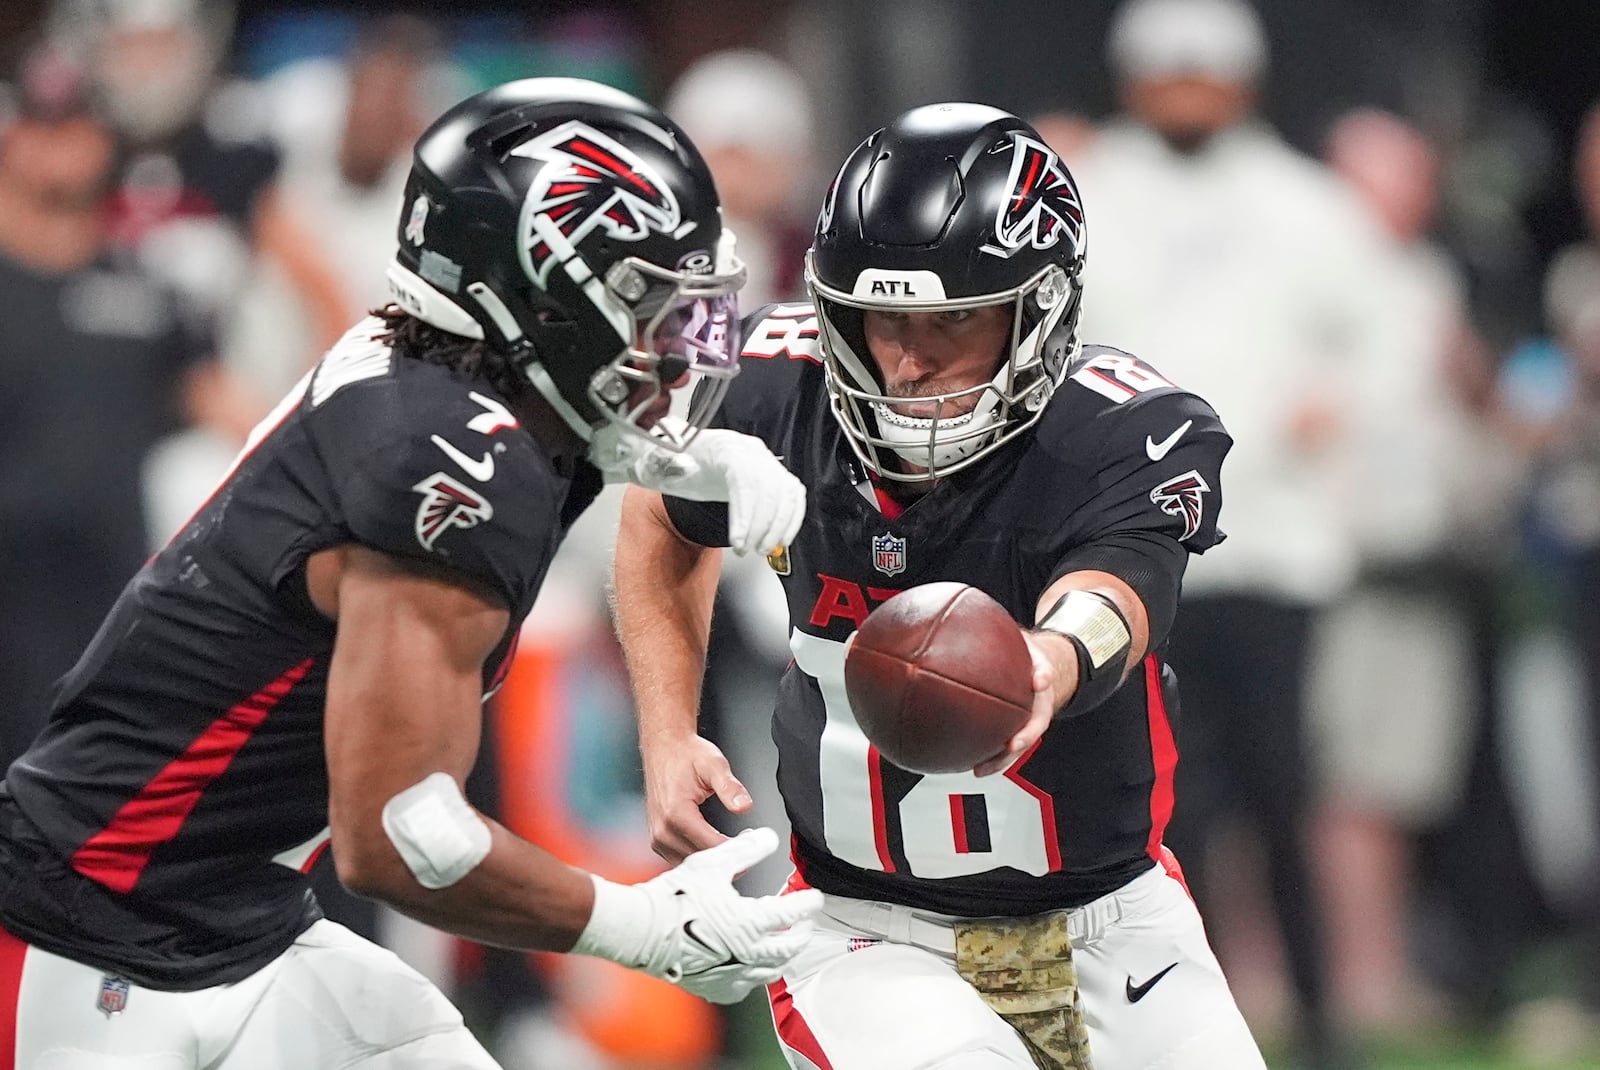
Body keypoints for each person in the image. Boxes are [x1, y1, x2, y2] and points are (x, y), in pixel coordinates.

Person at [0, 77, 821, 1067]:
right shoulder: (455, 462)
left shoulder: (433, 368)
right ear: (532, 298)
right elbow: (403, 837)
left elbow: (549, 420)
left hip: (232, 918)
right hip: (83, 944)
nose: (680, 347)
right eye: (645, 305)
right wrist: (637, 923)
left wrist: (670, 456)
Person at [613, 102, 1266, 1069]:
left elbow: (1122, 585)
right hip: (864, 932)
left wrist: (1046, 661)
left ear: (1038, 310)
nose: (909, 360)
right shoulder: (765, 388)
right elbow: (659, 510)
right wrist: (665, 734)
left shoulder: (1125, 428)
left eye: (951, 320)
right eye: (881, 320)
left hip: (1114, 919)